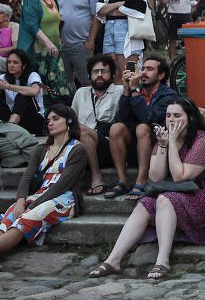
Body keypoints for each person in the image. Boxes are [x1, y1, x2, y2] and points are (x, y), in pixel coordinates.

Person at [89, 98, 205, 280]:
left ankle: (162, 261)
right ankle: (113, 260)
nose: (171, 120)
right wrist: (163, 146)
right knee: (145, 203)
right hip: (179, 193)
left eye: (177, 115)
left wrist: (173, 144)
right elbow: (155, 176)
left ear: (190, 118)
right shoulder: (165, 137)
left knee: (164, 199)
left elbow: (180, 176)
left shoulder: (203, 140)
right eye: (168, 116)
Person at [0, 104, 87, 254]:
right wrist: (21, 201)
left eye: (55, 119)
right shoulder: (41, 149)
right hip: (38, 195)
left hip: (63, 199)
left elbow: (62, 185)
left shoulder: (77, 149)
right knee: (9, 216)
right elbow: (26, 177)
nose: (50, 123)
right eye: (48, 120)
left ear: (69, 122)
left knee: (29, 217)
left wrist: (32, 205)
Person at [105, 53, 178, 199]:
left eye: (149, 69)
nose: (143, 72)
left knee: (142, 127)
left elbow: (149, 119)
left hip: (158, 147)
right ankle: (122, 181)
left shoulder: (168, 95)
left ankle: (142, 180)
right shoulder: (136, 91)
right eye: (142, 68)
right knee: (116, 128)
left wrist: (134, 91)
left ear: (161, 75)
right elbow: (121, 119)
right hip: (136, 147)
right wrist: (126, 91)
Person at [70, 54, 121, 196]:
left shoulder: (120, 91)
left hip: (106, 145)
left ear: (112, 74)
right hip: (80, 146)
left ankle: (96, 177)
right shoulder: (81, 93)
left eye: (104, 71)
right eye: (95, 71)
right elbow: (71, 120)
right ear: (89, 74)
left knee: (82, 130)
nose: (99, 75)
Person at [17, 0, 66, 101]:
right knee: (41, 83)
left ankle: (58, 111)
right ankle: (44, 113)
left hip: (54, 49)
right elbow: (33, 27)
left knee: (58, 81)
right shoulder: (32, 1)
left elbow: (57, 23)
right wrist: (49, 44)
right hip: (38, 51)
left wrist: (57, 43)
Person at [95, 0, 149, 75]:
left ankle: (130, 93)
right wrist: (120, 4)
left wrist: (111, 9)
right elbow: (99, 10)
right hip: (109, 32)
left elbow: (133, 9)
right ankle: (118, 93)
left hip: (128, 33)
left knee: (129, 72)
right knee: (113, 72)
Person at [58, 0, 99, 90]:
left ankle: (89, 108)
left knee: (86, 81)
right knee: (65, 81)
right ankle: (69, 108)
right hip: (61, 45)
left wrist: (91, 40)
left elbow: (97, 18)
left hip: (81, 45)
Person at [1, 49, 46, 134]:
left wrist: (8, 86)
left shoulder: (32, 75)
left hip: (34, 120)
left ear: (24, 65)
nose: (11, 65)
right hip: (14, 118)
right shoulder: (3, 78)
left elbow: (34, 91)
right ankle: (8, 127)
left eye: (15, 62)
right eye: (9, 62)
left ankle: (9, 130)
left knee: (23, 95)